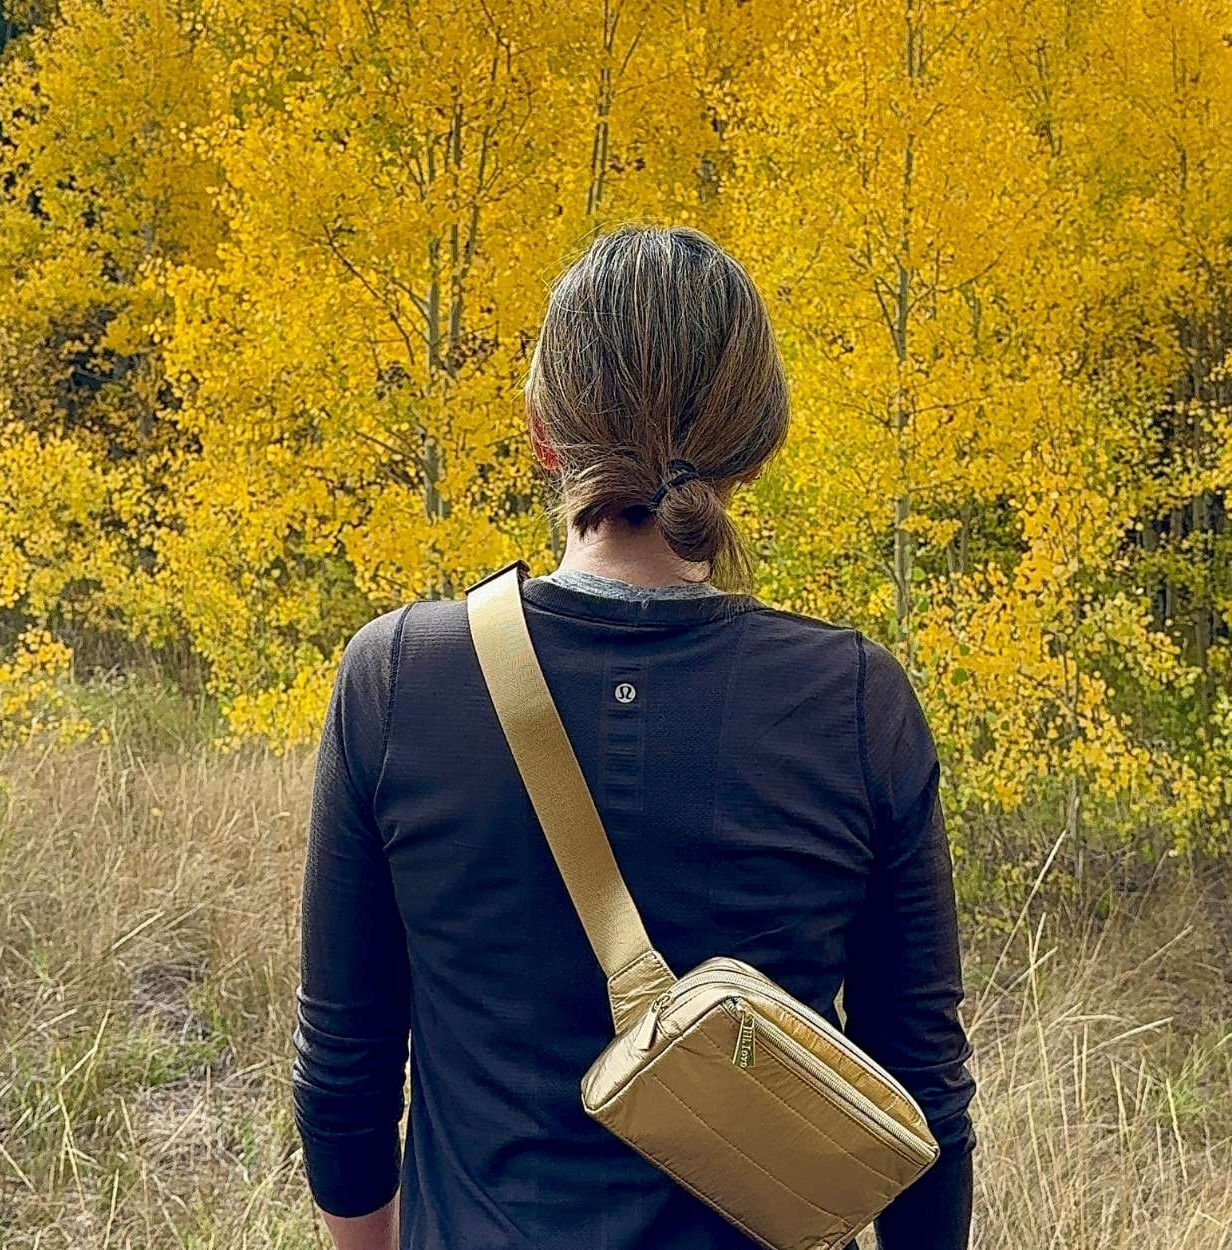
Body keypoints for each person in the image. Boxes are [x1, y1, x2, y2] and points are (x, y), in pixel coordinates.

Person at [292, 224, 977, 1250]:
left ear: (538, 430)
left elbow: (343, 1070)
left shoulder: (397, 678)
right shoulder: (852, 700)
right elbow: (920, 1095)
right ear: (758, 442)